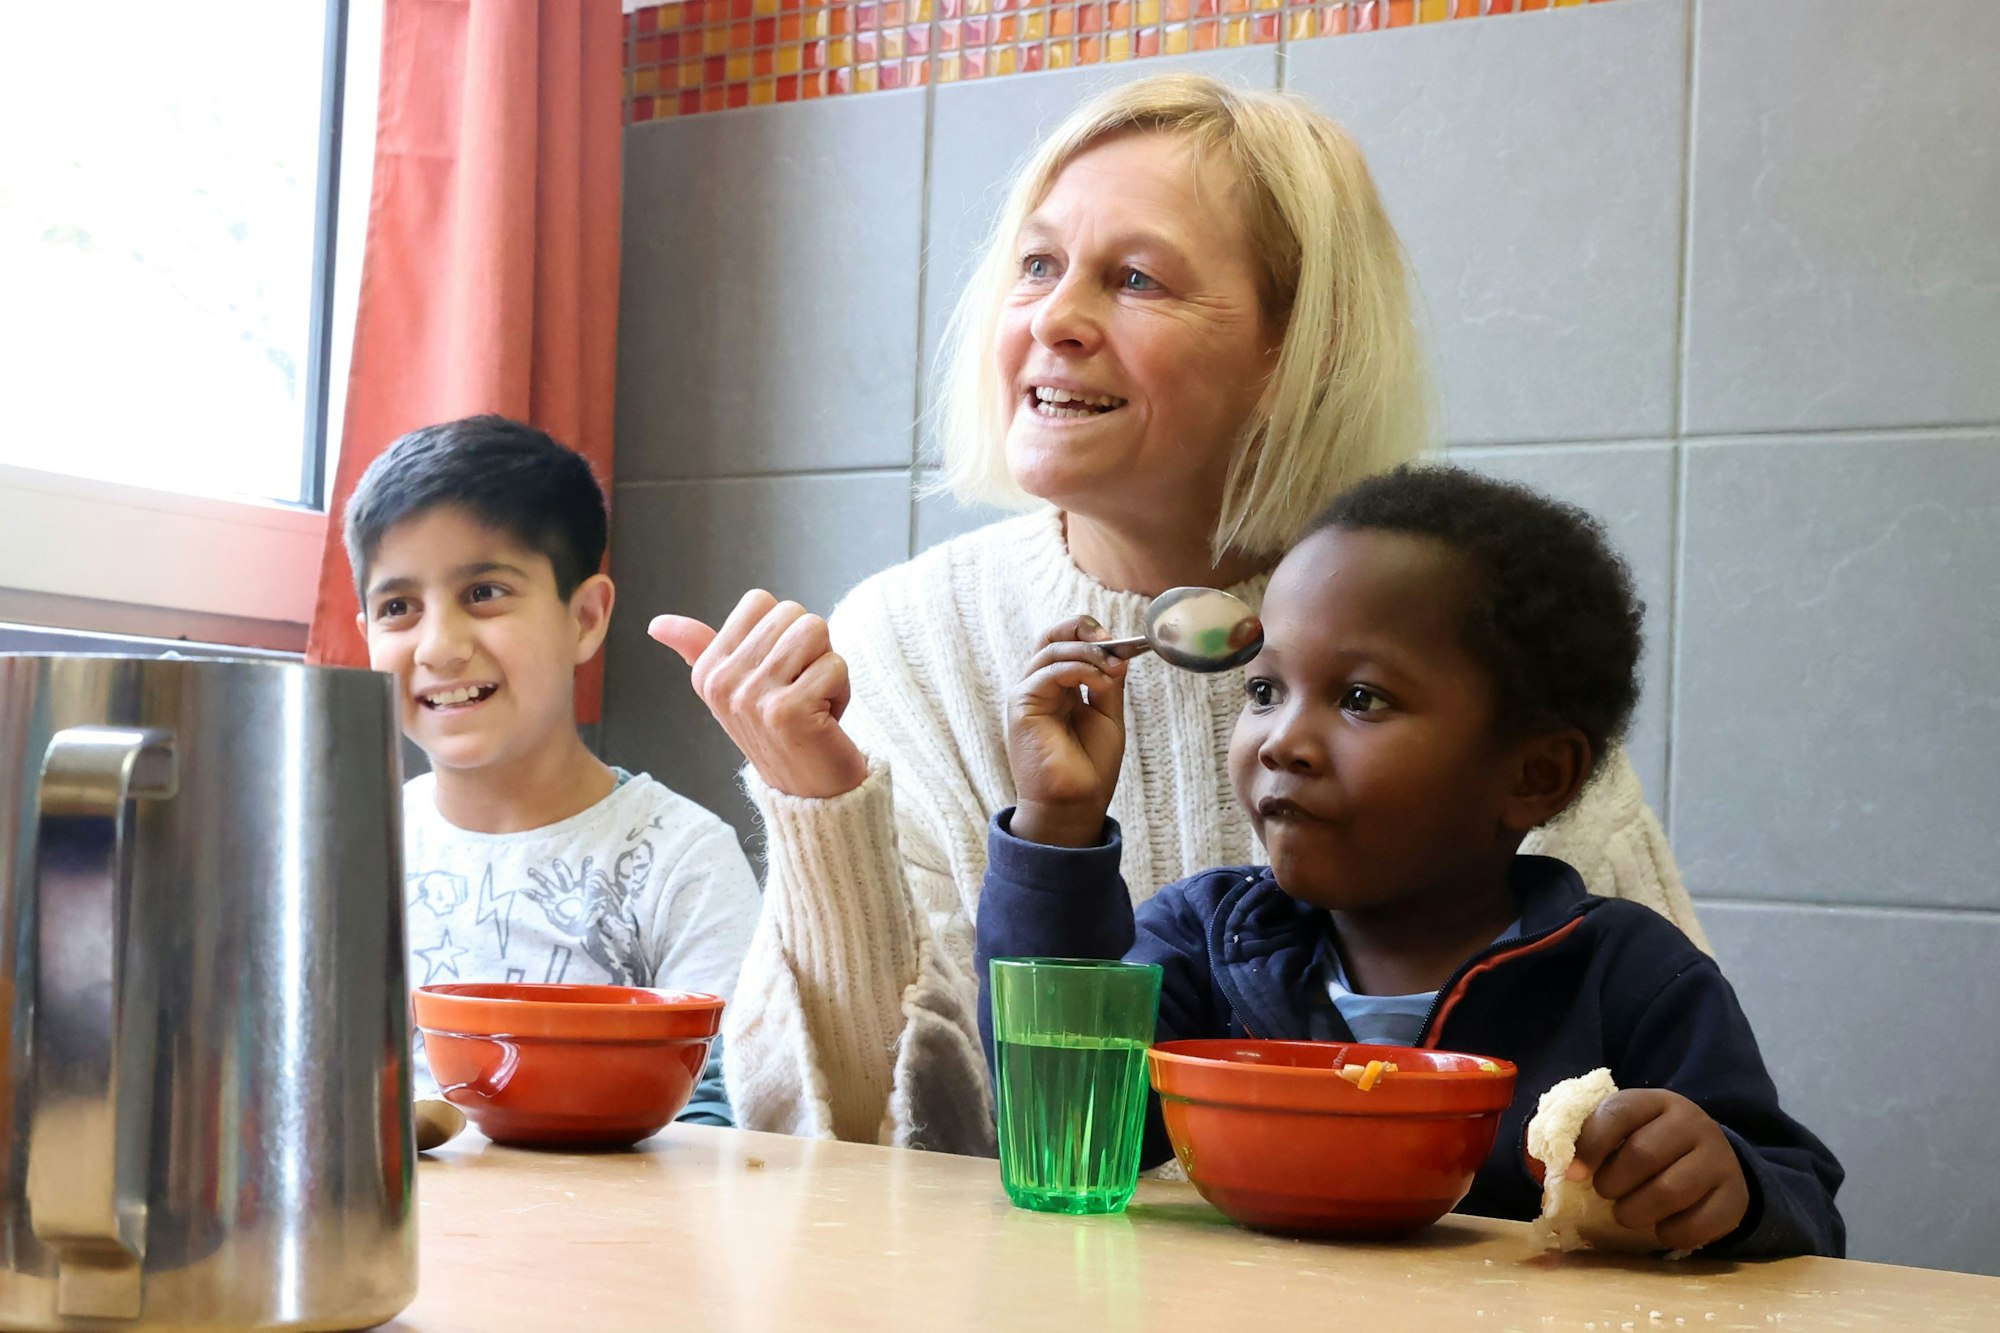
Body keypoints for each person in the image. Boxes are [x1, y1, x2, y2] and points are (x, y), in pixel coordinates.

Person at [651, 74, 1702, 1153]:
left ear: (1299, 351)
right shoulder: (902, 643)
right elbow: (835, 1146)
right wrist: (822, 811)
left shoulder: (1462, 624)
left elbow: (1666, 1109)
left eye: (1136, 279)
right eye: (1036, 264)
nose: (1054, 319)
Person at [975, 465, 1843, 1258]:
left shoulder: (1631, 978)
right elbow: (1060, 1116)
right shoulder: (1206, 944)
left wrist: (1725, 1181)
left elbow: (1803, 1208)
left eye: (1361, 698)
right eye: (1264, 689)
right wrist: (1056, 825)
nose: (1284, 741)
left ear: (1534, 774)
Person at [347, 415, 761, 1124]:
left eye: (484, 592)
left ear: (586, 618)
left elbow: (719, 1120)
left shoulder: (683, 860)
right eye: (398, 607)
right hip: (390, 1232)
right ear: (366, 636)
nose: (439, 647)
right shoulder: (351, 851)